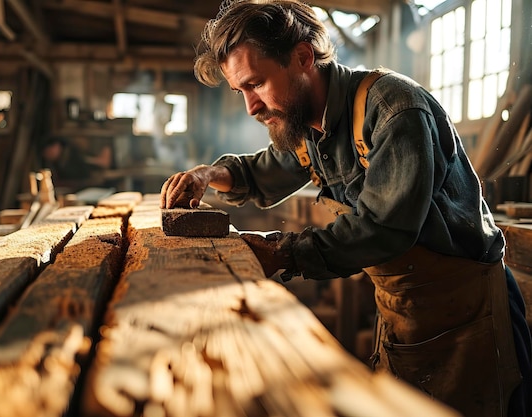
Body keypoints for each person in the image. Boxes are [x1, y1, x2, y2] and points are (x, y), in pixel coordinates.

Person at [159, 1, 532, 416]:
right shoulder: (307, 124)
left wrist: (283, 252)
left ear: (302, 57)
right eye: (240, 91)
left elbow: (383, 229)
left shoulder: (393, 109)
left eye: (257, 83)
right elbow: (261, 172)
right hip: (404, 309)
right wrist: (207, 175)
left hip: (469, 312)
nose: (251, 107)